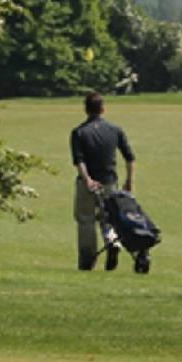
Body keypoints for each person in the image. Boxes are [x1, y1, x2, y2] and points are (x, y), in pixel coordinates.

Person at [71, 91, 136, 271]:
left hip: (87, 184)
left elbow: (79, 160)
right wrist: (129, 181)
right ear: (103, 109)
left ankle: (87, 259)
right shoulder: (115, 130)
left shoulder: (79, 132)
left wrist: (87, 179)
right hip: (110, 182)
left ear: (86, 109)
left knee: (86, 219)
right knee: (109, 218)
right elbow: (129, 157)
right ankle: (112, 242)